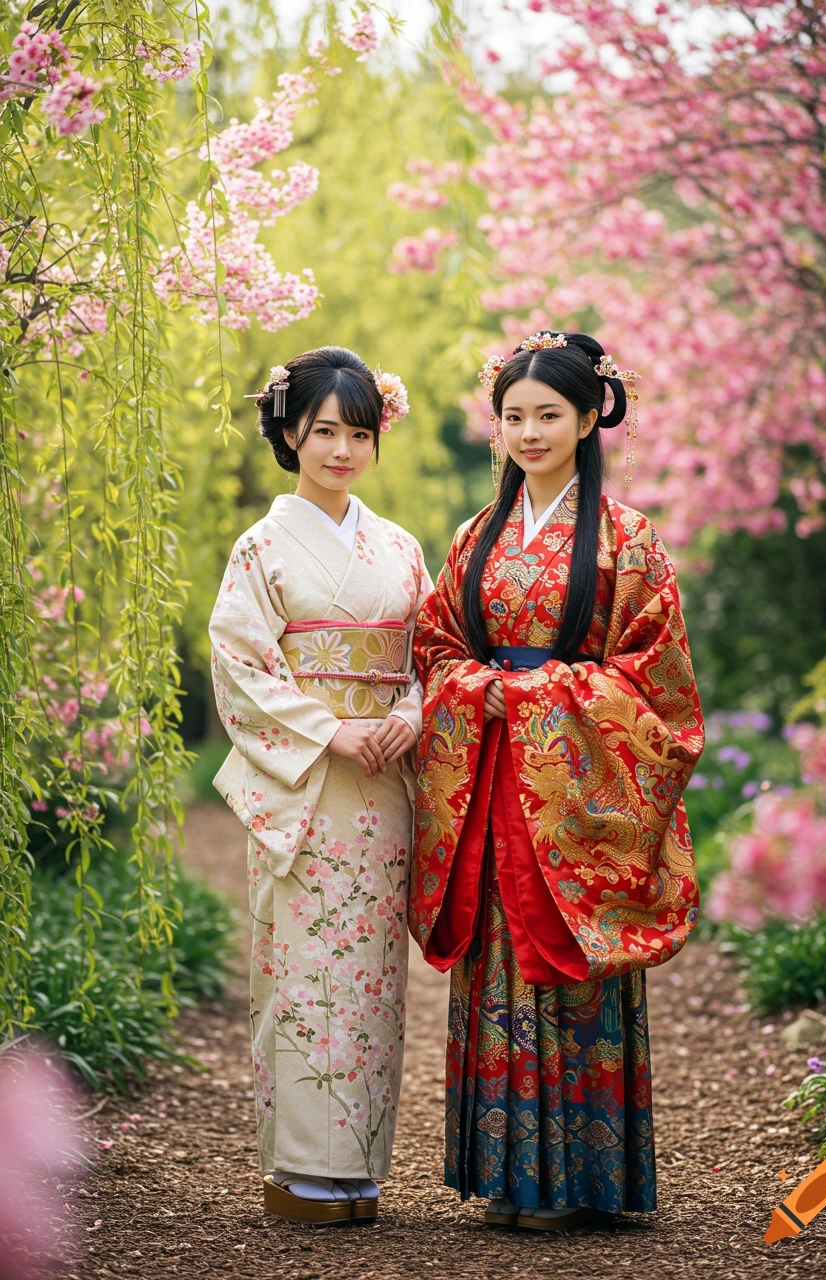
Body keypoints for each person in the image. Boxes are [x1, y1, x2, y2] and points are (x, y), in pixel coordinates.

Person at [410, 331, 704, 1232]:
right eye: (513, 417)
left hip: (575, 796)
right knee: (501, 961)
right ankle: (507, 1178)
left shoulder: (628, 540)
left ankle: (581, 1180)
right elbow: (435, 648)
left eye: (548, 415)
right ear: (494, 428)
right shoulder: (474, 536)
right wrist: (476, 689)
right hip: (495, 774)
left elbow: (658, 682)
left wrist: (542, 696)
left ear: (588, 418)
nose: (529, 432)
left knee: (568, 958)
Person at [209, 346, 431, 1226]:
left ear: (377, 439)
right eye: (324, 431)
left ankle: (360, 1168)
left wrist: (408, 717)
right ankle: (302, 1171)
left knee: (372, 975)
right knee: (304, 971)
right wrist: (330, 728)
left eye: (358, 432)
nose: (341, 449)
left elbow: (430, 656)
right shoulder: (261, 546)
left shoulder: (401, 549)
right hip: (307, 786)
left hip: (380, 788)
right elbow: (238, 662)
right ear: (291, 434)